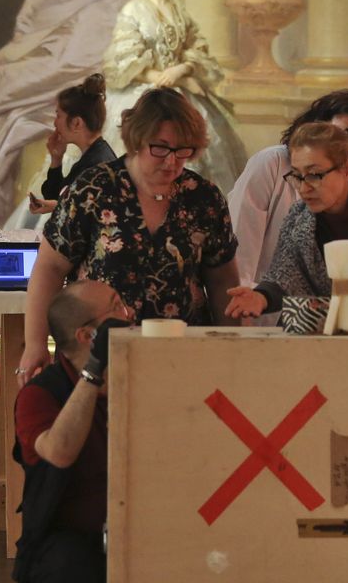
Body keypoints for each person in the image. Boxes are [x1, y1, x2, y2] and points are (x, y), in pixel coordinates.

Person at [19, 87, 241, 384]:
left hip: (183, 357)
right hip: (98, 357)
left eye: (183, 150)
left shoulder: (204, 198)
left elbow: (223, 280)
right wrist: (35, 343)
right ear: (137, 140)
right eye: (160, 148)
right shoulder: (94, 189)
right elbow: (49, 268)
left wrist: (231, 348)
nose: (172, 162)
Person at [12, 280, 132, 583]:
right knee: (70, 573)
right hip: (76, 537)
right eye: (116, 307)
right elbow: (60, 452)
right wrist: (94, 370)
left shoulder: (143, 372)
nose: (129, 314)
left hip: (145, 524)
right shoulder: (39, 394)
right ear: (87, 336)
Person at [224, 123, 348, 332]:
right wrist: (261, 297)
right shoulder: (298, 216)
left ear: (347, 170)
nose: (304, 188)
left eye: (314, 175)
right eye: (297, 176)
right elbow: (286, 273)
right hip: (317, 338)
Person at [102, 0, 245, 193]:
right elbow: (124, 62)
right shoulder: (133, 10)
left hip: (181, 91)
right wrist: (164, 77)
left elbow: (196, 46)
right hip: (143, 92)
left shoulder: (177, 9)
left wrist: (182, 69)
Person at [229, 89, 348, 288]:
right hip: (265, 301)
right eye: (335, 134)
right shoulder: (273, 164)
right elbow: (239, 259)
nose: (341, 146)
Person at [26, 73, 114, 217]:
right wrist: (56, 159)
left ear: (76, 123)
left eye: (58, 116)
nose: (55, 123)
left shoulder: (96, 167)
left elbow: (91, 217)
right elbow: (54, 196)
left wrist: (60, 206)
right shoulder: (92, 158)